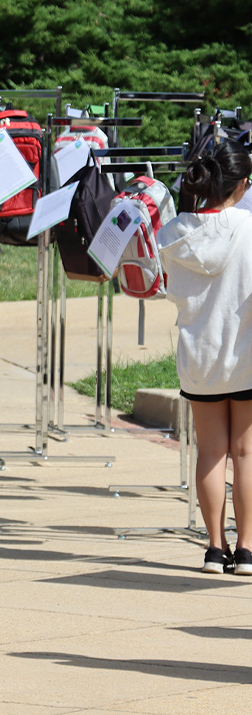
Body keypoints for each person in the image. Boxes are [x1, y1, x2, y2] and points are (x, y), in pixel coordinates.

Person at [158, 141, 252, 574]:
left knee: (211, 451)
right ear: (243, 185)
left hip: (199, 356)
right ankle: (248, 548)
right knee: (246, 453)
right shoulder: (249, 230)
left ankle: (215, 548)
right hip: (245, 352)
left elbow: (169, 290)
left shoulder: (175, 233)